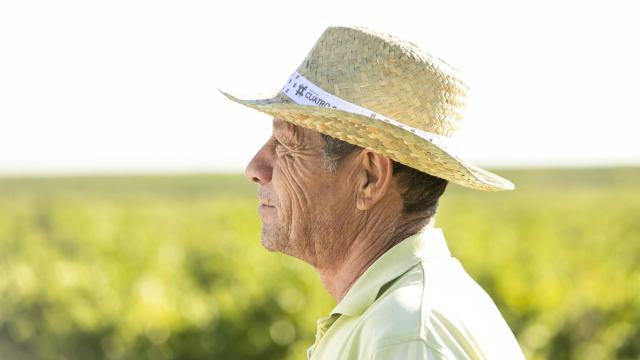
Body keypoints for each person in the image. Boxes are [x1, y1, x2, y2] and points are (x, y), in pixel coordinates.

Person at [220, 25, 526, 359]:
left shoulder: (404, 334)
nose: (256, 167)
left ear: (369, 177)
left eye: (287, 145)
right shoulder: (403, 316)